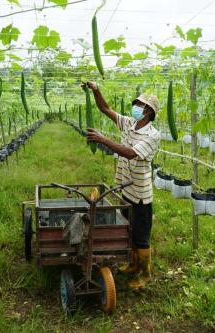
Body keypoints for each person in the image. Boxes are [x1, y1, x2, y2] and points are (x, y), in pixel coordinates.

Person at [82, 81, 161, 289]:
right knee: (129, 228)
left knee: (141, 235)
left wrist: (103, 139)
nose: (135, 106)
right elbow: (105, 108)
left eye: (140, 104)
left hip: (141, 193)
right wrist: (96, 89)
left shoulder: (153, 135)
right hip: (126, 188)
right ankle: (134, 264)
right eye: (136, 103)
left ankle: (145, 274)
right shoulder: (128, 123)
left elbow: (130, 152)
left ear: (149, 112)